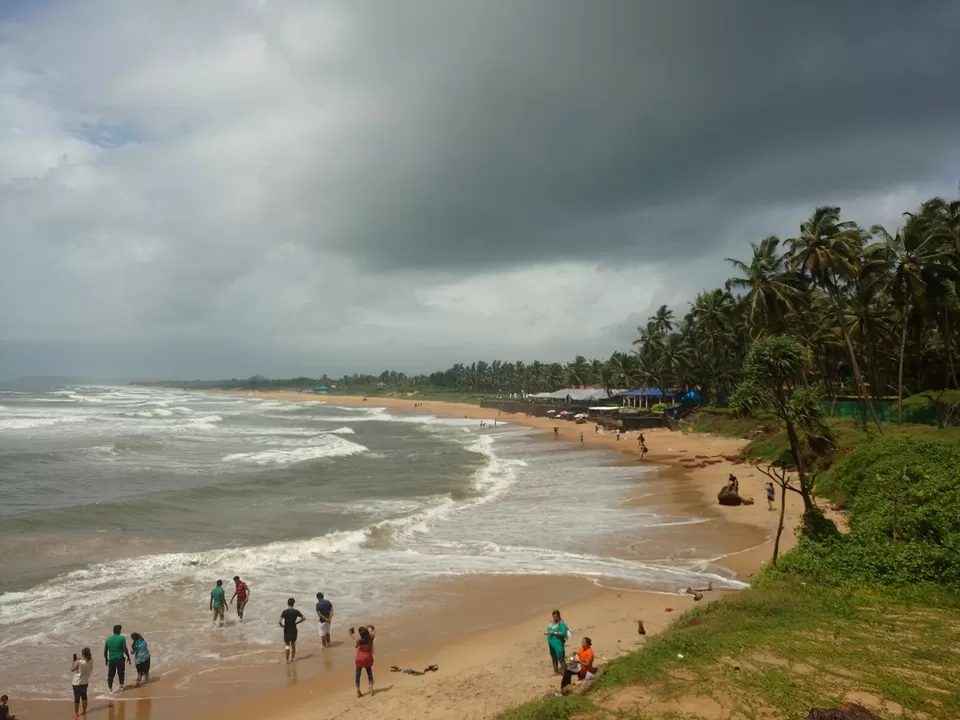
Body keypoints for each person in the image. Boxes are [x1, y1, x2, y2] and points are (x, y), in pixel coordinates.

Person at [103, 625, 131, 692]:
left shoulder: (108, 640)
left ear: (113, 631)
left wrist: (106, 659)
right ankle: (121, 686)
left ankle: (110, 689)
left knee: (111, 674)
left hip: (112, 660)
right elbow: (125, 649)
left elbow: (105, 650)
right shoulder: (122, 638)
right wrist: (128, 656)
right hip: (120, 659)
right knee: (121, 673)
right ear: (119, 631)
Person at [350, 625, 376, 697]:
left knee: (358, 674)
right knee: (369, 673)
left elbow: (355, 646)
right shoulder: (371, 638)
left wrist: (352, 637)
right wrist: (371, 626)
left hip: (359, 658)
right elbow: (373, 630)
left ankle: (358, 690)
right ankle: (371, 688)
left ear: (360, 634)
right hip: (367, 657)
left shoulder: (359, 641)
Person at [279, 598, 306, 664]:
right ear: (293, 604)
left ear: (287, 603)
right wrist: (297, 622)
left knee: (287, 645)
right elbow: (304, 618)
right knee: (293, 644)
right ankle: (293, 658)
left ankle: (287, 660)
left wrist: (282, 626)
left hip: (287, 630)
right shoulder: (296, 611)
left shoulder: (285, 612)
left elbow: (279, 621)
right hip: (294, 629)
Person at [545, 610, 570, 675]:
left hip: (558, 644)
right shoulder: (552, 623)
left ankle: (565, 672)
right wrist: (547, 633)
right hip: (551, 644)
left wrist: (554, 633)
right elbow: (549, 630)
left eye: (556, 617)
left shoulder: (562, 624)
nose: (554, 618)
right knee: (554, 658)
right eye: (553, 617)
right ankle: (555, 671)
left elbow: (563, 633)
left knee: (561, 658)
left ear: (559, 616)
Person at [71, 647, 93, 718]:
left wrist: (73, 662)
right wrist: (79, 659)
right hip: (85, 681)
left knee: (77, 698)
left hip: (77, 682)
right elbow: (85, 661)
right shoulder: (91, 660)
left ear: (83, 655)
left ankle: (76, 713)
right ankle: (84, 711)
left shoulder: (79, 662)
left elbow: (72, 669)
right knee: (84, 697)